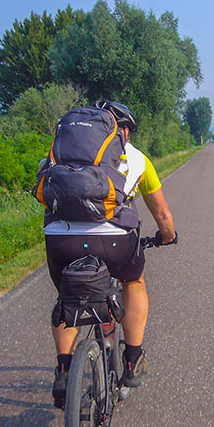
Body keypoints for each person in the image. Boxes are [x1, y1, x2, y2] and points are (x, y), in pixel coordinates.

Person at [43, 100, 177, 408]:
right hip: (115, 242)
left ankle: (64, 370)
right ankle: (131, 359)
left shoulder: (58, 154)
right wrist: (167, 237)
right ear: (124, 131)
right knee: (134, 282)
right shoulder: (136, 158)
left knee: (67, 296)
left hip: (61, 241)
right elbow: (163, 215)